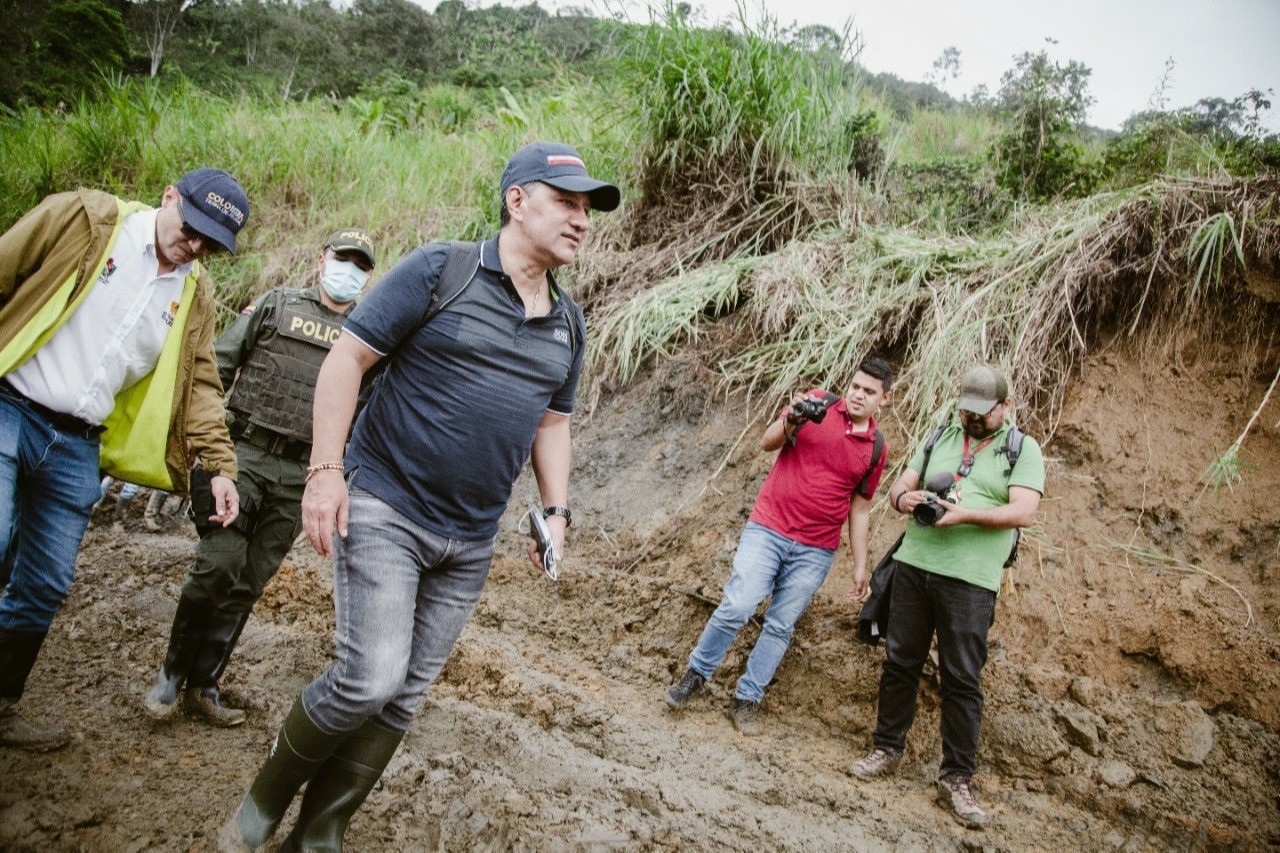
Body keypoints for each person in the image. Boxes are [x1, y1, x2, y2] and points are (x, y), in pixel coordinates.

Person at [220, 141, 619, 850]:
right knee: (370, 675)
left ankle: (320, 830)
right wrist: (325, 469)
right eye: (567, 201)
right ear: (517, 200)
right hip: (384, 505)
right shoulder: (443, 271)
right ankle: (263, 801)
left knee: (404, 694)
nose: (581, 219)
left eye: (588, 208)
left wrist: (555, 512)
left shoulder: (569, 323)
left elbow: (553, 423)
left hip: (468, 540)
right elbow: (348, 356)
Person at [0, 168, 247, 751]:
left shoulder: (195, 294)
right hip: (11, 405)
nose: (195, 247)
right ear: (168, 197)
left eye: (211, 244)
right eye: (192, 229)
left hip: (80, 443)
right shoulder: (84, 220)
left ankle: (3, 706)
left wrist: (221, 467)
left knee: (46, 580)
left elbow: (203, 388)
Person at [143, 228, 376, 727]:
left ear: (368, 277)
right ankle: (170, 673)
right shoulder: (276, 305)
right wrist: (194, 442)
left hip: (301, 475)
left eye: (360, 265)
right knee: (218, 564)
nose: (349, 271)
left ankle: (205, 684)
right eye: (343, 259)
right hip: (241, 454)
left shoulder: (367, 337)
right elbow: (216, 369)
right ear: (321, 260)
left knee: (249, 582)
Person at [849, 365, 1045, 828]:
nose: (973, 420)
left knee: (962, 679)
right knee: (900, 663)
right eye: (967, 410)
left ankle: (957, 778)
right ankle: (886, 749)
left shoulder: (1022, 449)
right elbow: (900, 485)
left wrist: (964, 515)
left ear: (1005, 407)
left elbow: (1025, 511)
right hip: (915, 567)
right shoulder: (941, 434)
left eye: (983, 413)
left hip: (972, 580)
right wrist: (905, 502)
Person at [665, 358, 894, 736]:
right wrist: (794, 419)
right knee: (737, 604)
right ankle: (695, 675)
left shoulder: (876, 448)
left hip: (816, 549)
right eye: (855, 386)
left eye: (869, 392)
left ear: (883, 399)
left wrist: (859, 564)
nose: (858, 395)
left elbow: (861, 506)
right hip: (768, 528)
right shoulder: (818, 403)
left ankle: (747, 698)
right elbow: (767, 441)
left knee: (780, 625)